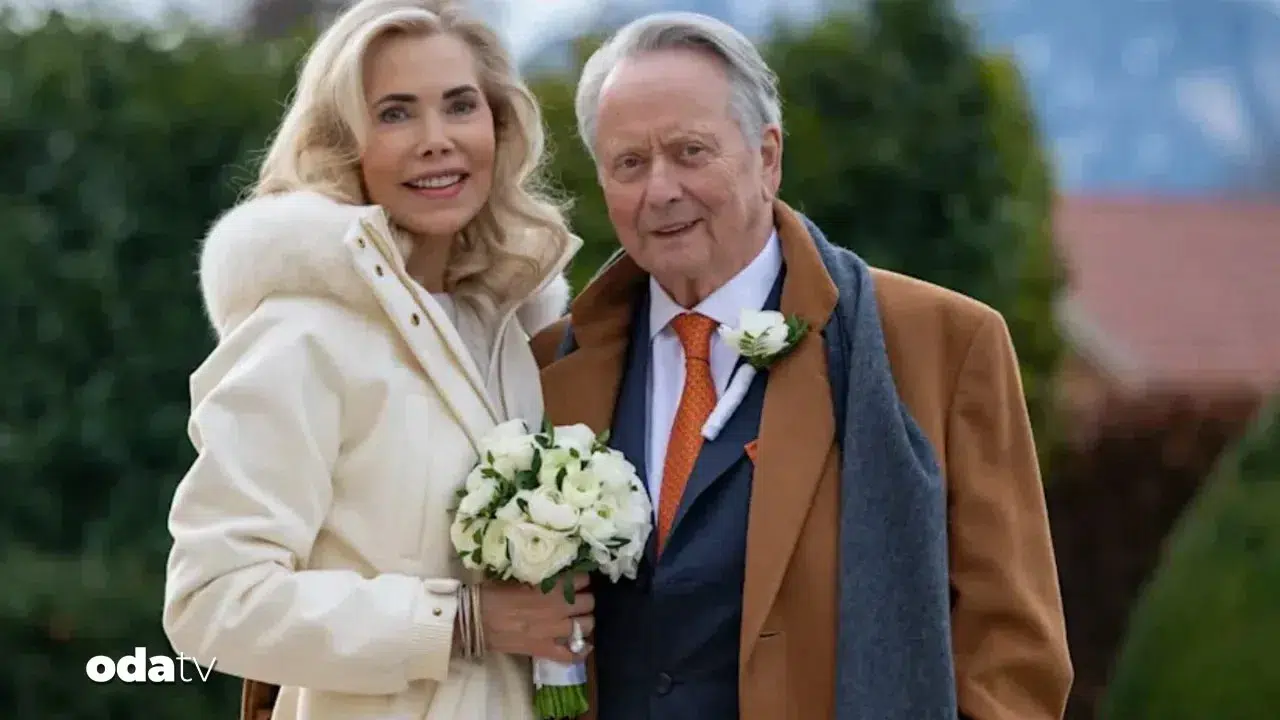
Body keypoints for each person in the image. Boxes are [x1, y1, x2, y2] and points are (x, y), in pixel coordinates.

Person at [529, 11, 1073, 720]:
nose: (660, 190)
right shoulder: (549, 365)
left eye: (691, 152)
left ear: (767, 158)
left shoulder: (942, 344)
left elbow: (1014, 655)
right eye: (629, 163)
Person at [161, 1, 595, 719]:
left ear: (498, 126)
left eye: (460, 106)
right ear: (343, 145)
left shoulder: (508, 327)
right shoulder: (300, 333)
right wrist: (461, 623)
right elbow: (212, 600)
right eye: (395, 114)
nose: (437, 141)